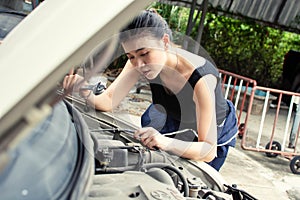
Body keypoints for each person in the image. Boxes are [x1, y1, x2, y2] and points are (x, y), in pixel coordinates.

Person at [63, 9, 238, 171]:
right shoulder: (139, 61)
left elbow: (207, 150)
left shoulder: (202, 78)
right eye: (131, 57)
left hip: (211, 133)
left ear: (165, 42)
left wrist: (164, 142)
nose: (138, 64)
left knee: (189, 179)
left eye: (144, 53)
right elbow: (109, 100)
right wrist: (83, 90)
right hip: (173, 119)